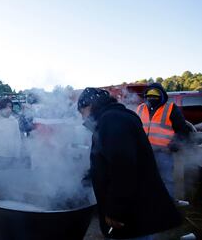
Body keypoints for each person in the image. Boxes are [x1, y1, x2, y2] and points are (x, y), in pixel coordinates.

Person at [77, 87, 181, 240]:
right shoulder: (115, 117)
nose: (82, 118)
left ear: (90, 106)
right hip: (134, 207)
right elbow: (107, 160)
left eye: (82, 112)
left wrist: (115, 210)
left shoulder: (111, 120)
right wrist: (87, 179)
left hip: (131, 212)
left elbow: (123, 168)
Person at [136, 83, 190, 198]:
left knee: (166, 180)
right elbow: (134, 129)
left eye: (155, 96)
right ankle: (148, 203)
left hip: (164, 152)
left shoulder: (170, 108)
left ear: (162, 96)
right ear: (145, 96)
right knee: (144, 179)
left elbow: (183, 131)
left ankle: (167, 205)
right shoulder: (140, 108)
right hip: (144, 152)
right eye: (149, 96)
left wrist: (172, 147)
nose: (152, 98)